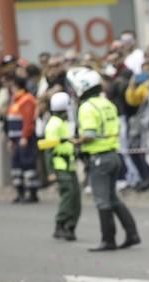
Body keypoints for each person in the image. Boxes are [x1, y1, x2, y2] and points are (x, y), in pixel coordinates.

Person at [66, 67, 141, 252]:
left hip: (99, 157)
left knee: (102, 200)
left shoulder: (87, 107)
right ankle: (132, 234)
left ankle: (108, 240)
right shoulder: (106, 103)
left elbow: (90, 134)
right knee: (112, 198)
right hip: (113, 155)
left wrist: (75, 140)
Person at [44, 92, 81, 241]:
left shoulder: (64, 123)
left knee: (75, 197)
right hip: (60, 165)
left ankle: (70, 227)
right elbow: (48, 149)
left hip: (69, 164)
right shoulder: (54, 124)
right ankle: (61, 224)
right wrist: (51, 171)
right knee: (68, 195)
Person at [6, 76, 39, 203]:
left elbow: (27, 121)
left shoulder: (27, 100)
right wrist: (10, 138)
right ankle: (20, 193)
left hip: (24, 138)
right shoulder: (15, 100)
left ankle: (32, 193)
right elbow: (11, 120)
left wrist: (24, 136)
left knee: (28, 165)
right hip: (15, 139)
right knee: (16, 166)